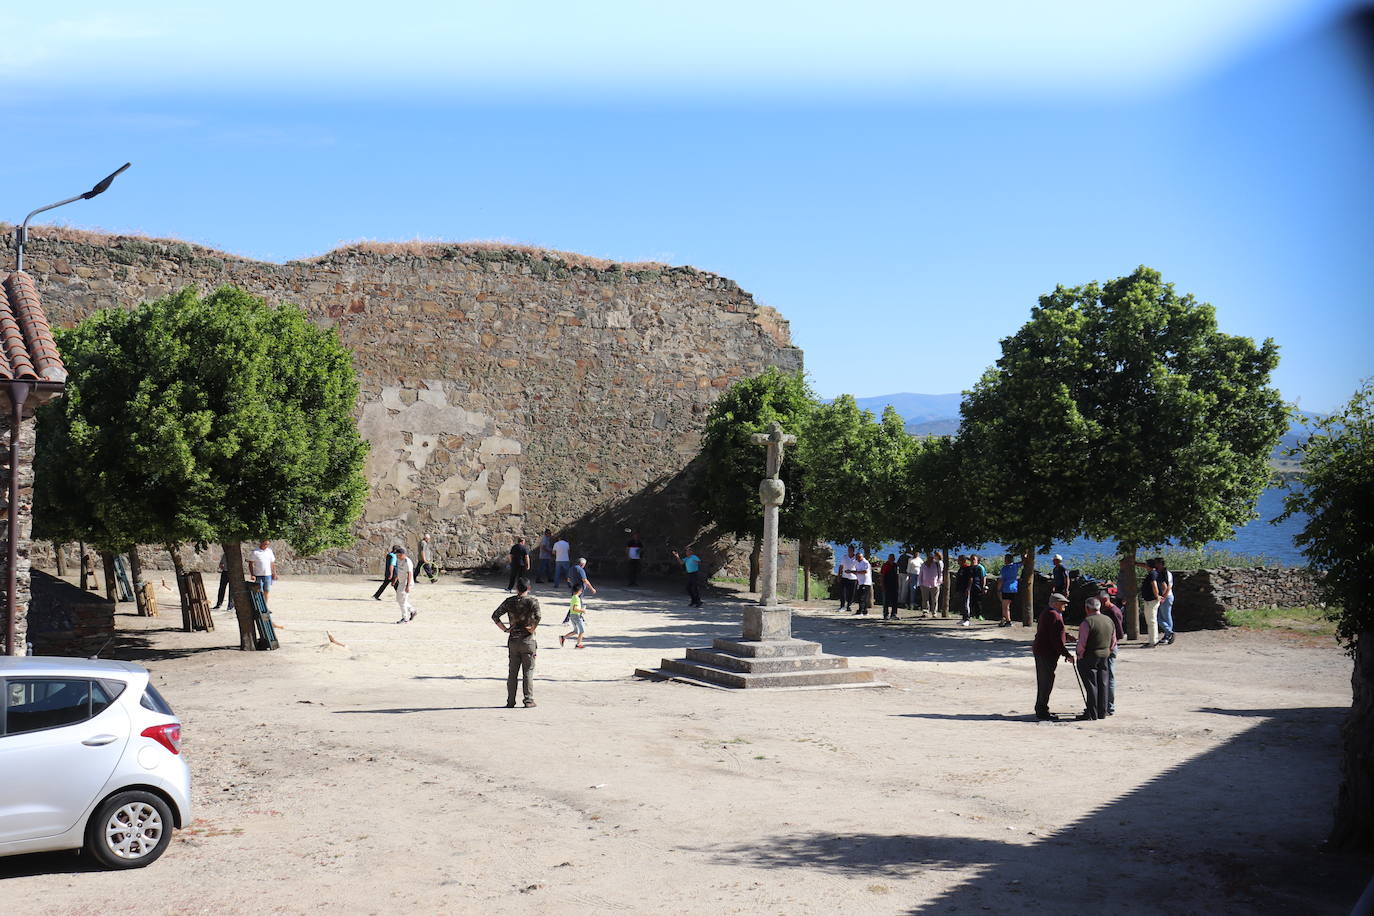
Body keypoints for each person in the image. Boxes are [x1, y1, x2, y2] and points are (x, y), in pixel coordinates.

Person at [492, 577, 540, 708]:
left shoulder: (509, 601)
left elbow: (495, 615)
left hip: (513, 639)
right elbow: (538, 617)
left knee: (513, 672)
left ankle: (510, 701)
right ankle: (528, 700)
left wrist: (505, 629)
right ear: (529, 588)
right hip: (528, 640)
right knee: (528, 671)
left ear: (516, 588)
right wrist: (532, 628)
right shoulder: (533, 602)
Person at [1032, 593, 1075, 720]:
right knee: (1046, 681)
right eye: (1063, 603)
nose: (1065, 606)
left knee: (1045, 680)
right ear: (1055, 604)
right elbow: (1055, 639)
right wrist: (1067, 654)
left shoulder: (1049, 613)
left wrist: (1065, 635)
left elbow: (1053, 632)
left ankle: (1042, 708)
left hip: (1043, 652)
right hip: (1046, 653)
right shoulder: (1053, 615)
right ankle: (1042, 711)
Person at [1076, 596, 1117, 720]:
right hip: (1104, 656)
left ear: (1087, 608)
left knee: (1091, 685)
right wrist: (1108, 650)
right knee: (1103, 683)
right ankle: (1102, 712)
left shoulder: (1087, 622)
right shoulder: (1109, 620)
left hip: (1089, 656)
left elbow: (1082, 643)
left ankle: (1091, 713)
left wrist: (1079, 655)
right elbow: (1113, 640)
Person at [1099, 589, 1125, 716]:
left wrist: (1110, 645)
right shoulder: (1106, 610)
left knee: (1109, 677)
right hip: (1105, 647)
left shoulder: (1113, 612)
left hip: (1110, 647)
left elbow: (1119, 634)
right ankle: (1103, 704)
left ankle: (1110, 707)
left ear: (1105, 600)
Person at [1139, 558, 1163, 647]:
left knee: (1151, 621)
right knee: (1152, 620)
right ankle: (1153, 639)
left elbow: (1154, 585)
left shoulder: (1152, 574)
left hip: (1151, 600)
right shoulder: (1155, 573)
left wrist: (1156, 596)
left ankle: (1153, 641)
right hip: (1151, 599)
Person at [249, 539, 277, 608]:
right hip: (258, 575)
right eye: (265, 544)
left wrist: (274, 573)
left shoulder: (269, 551)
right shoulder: (255, 552)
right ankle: (259, 607)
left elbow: (272, 563)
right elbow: (250, 563)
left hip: (268, 575)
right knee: (259, 591)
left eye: (267, 544)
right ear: (261, 543)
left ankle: (265, 606)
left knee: (267, 590)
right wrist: (252, 574)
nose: (266, 546)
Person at [560, 581, 588, 648]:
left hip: (572, 616)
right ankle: (578, 644)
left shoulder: (573, 597)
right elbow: (575, 608)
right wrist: (582, 610)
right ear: (579, 590)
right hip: (576, 616)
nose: (581, 592)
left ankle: (563, 638)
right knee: (582, 630)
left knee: (576, 631)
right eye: (581, 591)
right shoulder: (576, 598)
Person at [394, 546, 418, 623]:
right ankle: (412, 610)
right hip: (401, 582)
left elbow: (410, 574)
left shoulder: (407, 562)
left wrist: (408, 586)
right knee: (399, 599)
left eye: (398, 555)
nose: (397, 557)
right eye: (397, 555)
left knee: (403, 601)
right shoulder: (398, 560)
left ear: (403, 554)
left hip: (407, 582)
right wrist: (396, 579)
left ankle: (405, 618)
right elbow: (399, 570)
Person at [1156, 558, 1176, 645]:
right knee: (1166, 617)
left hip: (1166, 597)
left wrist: (1163, 597)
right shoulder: (1168, 573)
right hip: (1169, 596)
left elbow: (1166, 587)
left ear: (1160, 564)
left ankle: (1169, 633)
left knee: (1161, 617)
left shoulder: (1163, 574)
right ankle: (1168, 634)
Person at [997, 554, 1021, 627]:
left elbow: (1001, 580)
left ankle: (1008, 621)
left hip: (1006, 588)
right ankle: (1004, 619)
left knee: (1005, 606)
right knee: (1007, 605)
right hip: (1014, 588)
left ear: (1006, 560)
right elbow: (1023, 562)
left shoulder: (1004, 569)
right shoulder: (1015, 566)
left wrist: (998, 589)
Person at [920, 552, 944, 617]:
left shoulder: (936, 564)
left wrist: (939, 582)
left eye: (932, 558)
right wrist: (920, 583)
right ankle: (925, 611)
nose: (931, 559)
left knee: (935, 600)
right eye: (929, 558)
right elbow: (920, 574)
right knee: (925, 599)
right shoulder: (923, 564)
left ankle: (934, 612)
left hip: (935, 584)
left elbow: (940, 573)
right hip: (924, 584)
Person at [955, 555, 975, 626]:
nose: (958, 561)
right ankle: (963, 618)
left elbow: (971, 579)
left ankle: (967, 619)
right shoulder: (961, 568)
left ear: (963, 560)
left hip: (965, 589)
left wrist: (968, 588)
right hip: (960, 589)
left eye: (959, 560)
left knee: (966, 604)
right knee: (961, 604)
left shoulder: (968, 568)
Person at [837, 546, 858, 611]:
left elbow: (858, 568)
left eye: (851, 550)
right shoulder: (844, 557)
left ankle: (849, 605)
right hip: (844, 577)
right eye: (848, 550)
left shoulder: (856, 558)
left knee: (851, 593)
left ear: (853, 551)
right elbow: (841, 566)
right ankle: (842, 605)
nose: (849, 551)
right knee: (842, 592)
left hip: (853, 578)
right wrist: (839, 575)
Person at [853, 551, 873, 616]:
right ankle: (864, 610)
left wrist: (857, 572)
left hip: (866, 582)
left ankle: (861, 611)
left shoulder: (865, 562)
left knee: (862, 597)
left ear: (862, 557)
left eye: (859, 557)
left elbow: (865, 571)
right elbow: (857, 571)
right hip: (860, 582)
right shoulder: (857, 562)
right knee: (860, 597)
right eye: (857, 557)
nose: (857, 558)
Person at [881, 554, 900, 620]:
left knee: (895, 600)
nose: (892, 559)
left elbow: (897, 575)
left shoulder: (896, 565)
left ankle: (894, 614)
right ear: (888, 558)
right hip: (887, 585)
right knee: (886, 600)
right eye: (891, 558)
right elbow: (882, 575)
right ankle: (886, 614)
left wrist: (898, 585)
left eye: (893, 558)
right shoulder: (885, 565)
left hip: (894, 585)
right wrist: (883, 585)